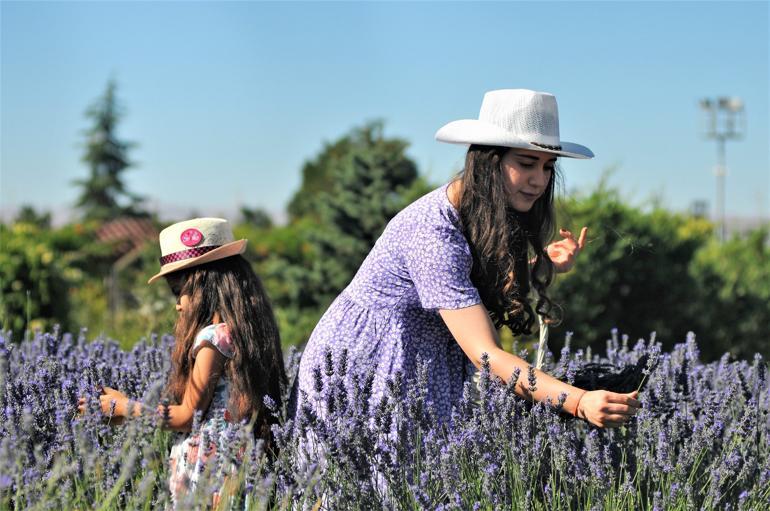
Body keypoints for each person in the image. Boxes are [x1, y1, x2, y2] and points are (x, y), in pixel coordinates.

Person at [292, 89, 640, 428]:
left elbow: (470, 285)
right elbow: (484, 353)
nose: (539, 180)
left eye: (548, 167)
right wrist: (578, 402)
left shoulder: (481, 214)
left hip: (423, 362)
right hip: (370, 365)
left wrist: (539, 266)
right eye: (526, 163)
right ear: (489, 161)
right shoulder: (432, 231)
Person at [78, 217, 286, 504]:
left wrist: (125, 408)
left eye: (180, 292)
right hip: (234, 464)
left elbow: (188, 416)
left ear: (207, 285)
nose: (177, 304)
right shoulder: (242, 333)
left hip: (208, 470)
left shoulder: (212, 339)